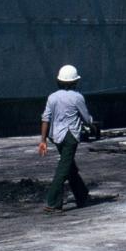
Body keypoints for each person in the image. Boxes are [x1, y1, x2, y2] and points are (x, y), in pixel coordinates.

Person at [39, 64, 93, 213]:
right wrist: (92, 124)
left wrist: (43, 140)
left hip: (55, 136)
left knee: (70, 167)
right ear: (75, 82)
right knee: (64, 169)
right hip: (70, 136)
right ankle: (52, 203)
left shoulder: (52, 97)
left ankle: (82, 196)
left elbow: (46, 119)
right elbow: (87, 119)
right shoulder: (77, 97)